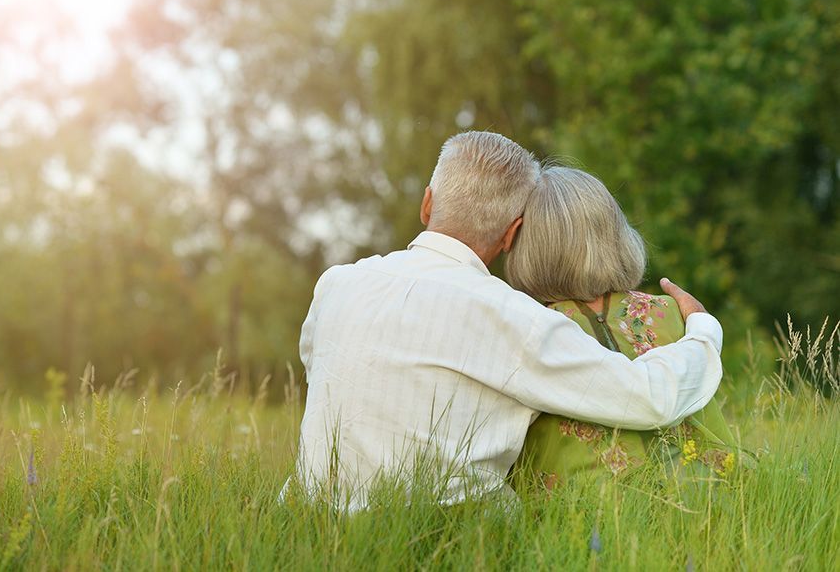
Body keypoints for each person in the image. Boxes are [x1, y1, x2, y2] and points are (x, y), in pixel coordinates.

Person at [286, 131, 723, 511]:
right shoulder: (513, 317)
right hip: (454, 535)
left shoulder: (335, 284)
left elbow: (321, 372)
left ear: (427, 203)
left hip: (313, 520)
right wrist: (702, 328)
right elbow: (648, 398)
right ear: (513, 233)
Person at [506, 166, 739, 487]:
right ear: (616, 235)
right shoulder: (672, 313)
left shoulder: (526, 328)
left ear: (527, 248)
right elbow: (716, 439)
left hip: (578, 510)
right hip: (700, 499)